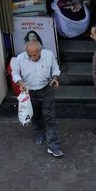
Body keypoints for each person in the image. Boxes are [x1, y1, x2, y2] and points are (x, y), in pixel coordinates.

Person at [11, 30, 64, 158]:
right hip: (30, 93)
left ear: (40, 50)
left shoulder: (48, 55)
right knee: (35, 116)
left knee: (50, 118)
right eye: (30, 55)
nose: (33, 57)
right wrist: (20, 82)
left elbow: (55, 69)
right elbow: (15, 73)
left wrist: (55, 78)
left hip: (46, 90)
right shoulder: (20, 58)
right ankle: (39, 133)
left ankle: (53, 146)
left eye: (35, 54)